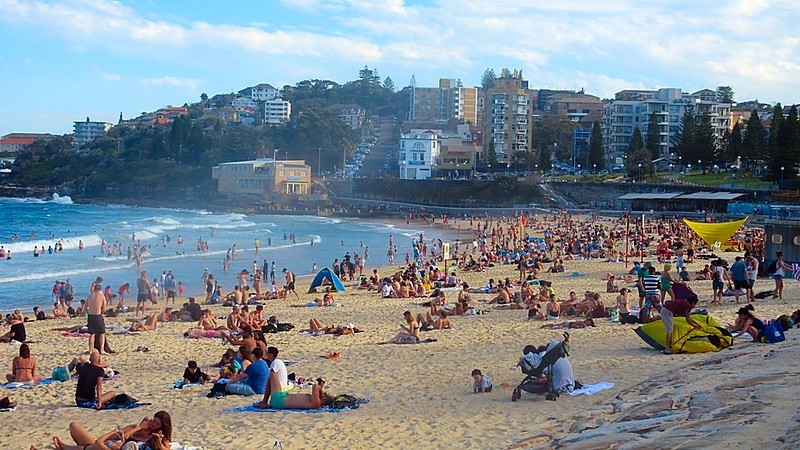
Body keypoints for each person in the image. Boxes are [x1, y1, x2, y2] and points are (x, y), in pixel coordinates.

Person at [50, 412, 171, 450]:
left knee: (90, 447)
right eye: (154, 420)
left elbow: (167, 449)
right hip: (104, 444)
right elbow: (120, 436)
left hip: (108, 447)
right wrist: (139, 427)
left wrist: (158, 441)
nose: (153, 424)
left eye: (157, 423)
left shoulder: (156, 437)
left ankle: (64, 447)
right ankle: (65, 447)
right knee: (74, 426)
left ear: (161, 427)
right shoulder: (135, 427)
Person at [254, 373, 333, 410]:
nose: (323, 393)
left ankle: (264, 401)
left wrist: (321, 388)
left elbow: (315, 387)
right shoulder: (315, 401)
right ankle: (265, 402)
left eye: (325, 394)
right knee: (273, 375)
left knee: (273, 374)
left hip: (279, 401)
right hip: (282, 399)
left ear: (325, 399)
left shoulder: (317, 403)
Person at [86, 284, 107, 355]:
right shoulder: (102, 296)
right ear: (100, 289)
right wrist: (101, 313)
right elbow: (104, 308)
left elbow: (85, 307)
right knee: (102, 333)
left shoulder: (90, 296)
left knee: (91, 334)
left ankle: (90, 350)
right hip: (97, 315)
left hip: (90, 316)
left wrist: (89, 312)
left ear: (94, 289)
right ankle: (101, 350)